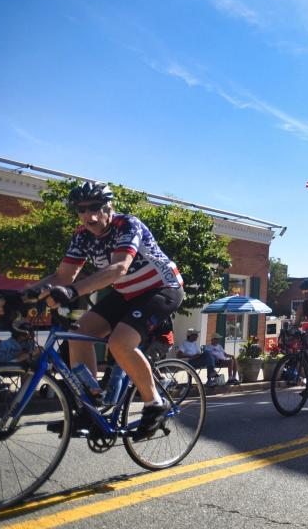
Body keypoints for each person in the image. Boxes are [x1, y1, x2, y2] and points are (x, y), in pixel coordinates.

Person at [24, 181, 185, 438]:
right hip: (127, 293)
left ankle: (155, 403)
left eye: (97, 208)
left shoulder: (127, 225)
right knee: (78, 333)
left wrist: (74, 291)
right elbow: (63, 275)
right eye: (83, 209)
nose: (91, 216)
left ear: (110, 206)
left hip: (162, 288)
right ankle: (90, 408)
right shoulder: (82, 235)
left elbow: (119, 268)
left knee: (119, 343)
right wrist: (23, 295)